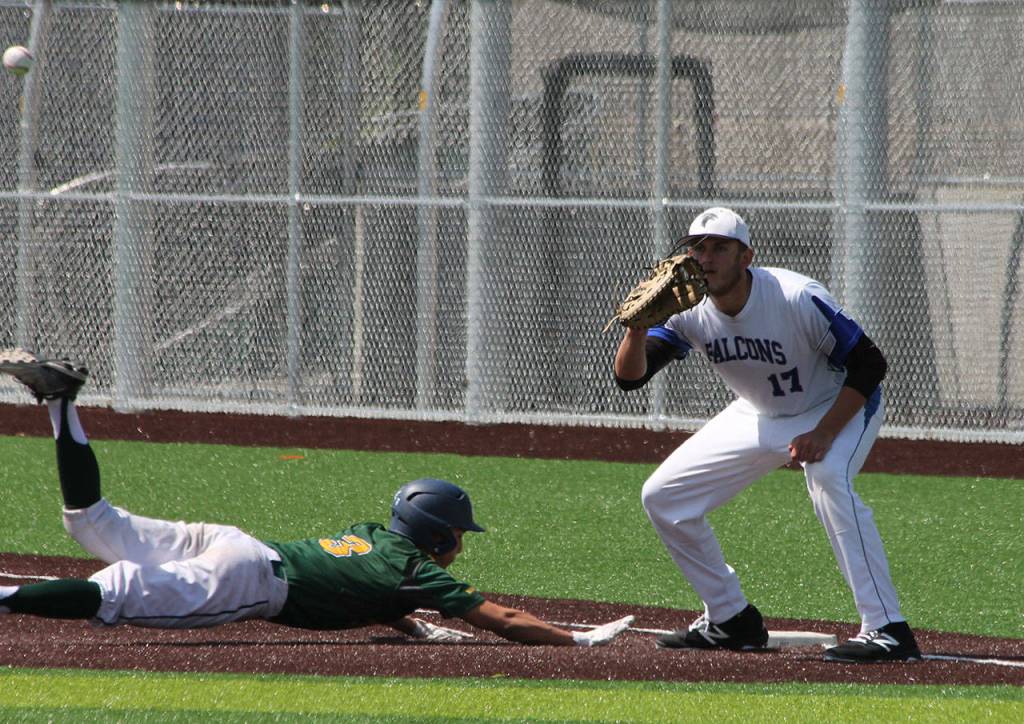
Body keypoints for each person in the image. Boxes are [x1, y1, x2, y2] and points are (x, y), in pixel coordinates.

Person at [0, 350, 632, 646]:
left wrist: (414, 629)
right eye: (460, 533)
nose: (460, 545)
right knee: (120, 592)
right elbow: (504, 619)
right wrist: (575, 640)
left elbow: (365, 588)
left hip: (234, 543)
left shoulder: (377, 540)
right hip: (245, 577)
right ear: (439, 536)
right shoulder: (413, 568)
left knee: (93, 520)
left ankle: (61, 405)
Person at [613, 207, 920, 663]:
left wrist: (823, 432)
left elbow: (871, 365)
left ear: (746, 256)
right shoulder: (687, 309)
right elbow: (630, 379)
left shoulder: (795, 296)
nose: (706, 257)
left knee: (829, 479)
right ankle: (730, 619)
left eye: (720, 247)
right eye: (698, 247)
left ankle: (887, 628)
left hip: (836, 405)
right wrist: (636, 330)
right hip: (758, 413)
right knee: (663, 495)